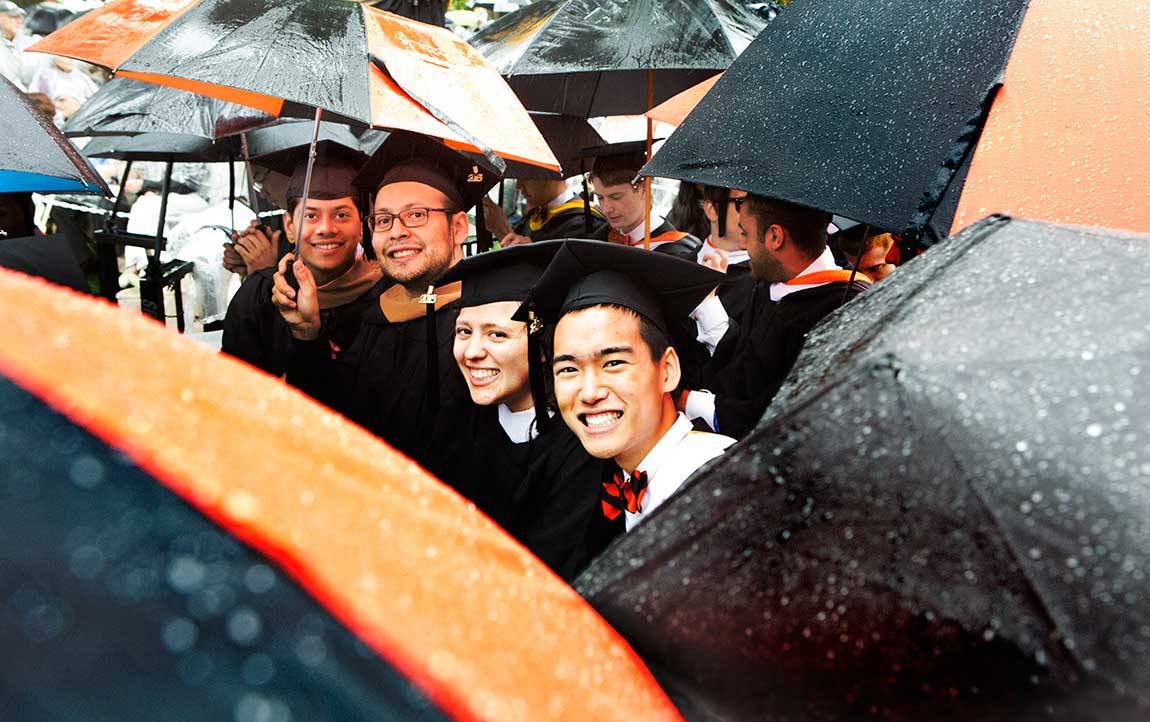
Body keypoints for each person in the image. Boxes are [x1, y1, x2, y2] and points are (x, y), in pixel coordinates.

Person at [272, 131, 494, 459]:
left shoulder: (496, 323)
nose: (397, 231)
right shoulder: (378, 317)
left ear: (459, 227)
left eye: (417, 215)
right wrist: (307, 333)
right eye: (384, 219)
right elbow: (329, 418)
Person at [523, 240, 733, 558]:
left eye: (613, 363)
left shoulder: (718, 486)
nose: (590, 392)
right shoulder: (625, 475)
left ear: (668, 371)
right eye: (568, 368)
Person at [424, 244, 607, 580]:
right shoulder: (456, 423)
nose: (472, 351)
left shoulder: (582, 447)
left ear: (543, 347)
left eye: (497, 334)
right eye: (464, 332)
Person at [681, 195, 872, 439]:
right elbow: (741, 365)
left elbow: (787, 413)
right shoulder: (768, 286)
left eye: (746, 234)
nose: (743, 246)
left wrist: (694, 403)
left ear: (774, 237)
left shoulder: (845, 309)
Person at [223, 158, 383, 377]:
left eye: (341, 215)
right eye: (311, 216)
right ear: (289, 226)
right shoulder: (258, 295)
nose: (326, 228)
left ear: (362, 224)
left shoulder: (387, 297)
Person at [583, 141, 703, 262]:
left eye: (616, 197)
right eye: (600, 198)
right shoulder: (598, 240)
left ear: (644, 187)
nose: (606, 208)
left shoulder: (678, 254)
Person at [484, 177, 605, 246]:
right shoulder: (534, 215)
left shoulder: (584, 224)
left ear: (552, 174)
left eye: (526, 177)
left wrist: (504, 232)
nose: (518, 186)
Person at [0, 1, 25, 90]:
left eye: (20, 16)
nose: (19, 21)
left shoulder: (23, 41)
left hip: (24, 96)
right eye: (13, 16)